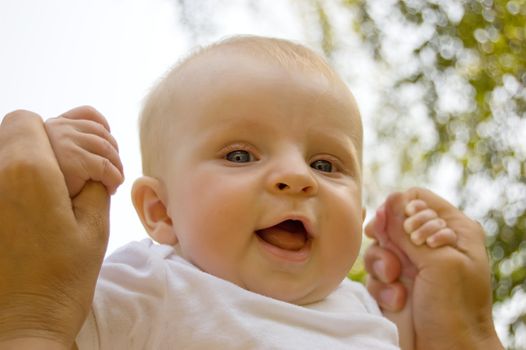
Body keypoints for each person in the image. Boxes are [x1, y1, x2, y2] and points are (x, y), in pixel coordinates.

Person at [40, 35, 499, 349]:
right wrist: (54, 179)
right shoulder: (151, 282)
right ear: (162, 212)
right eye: (240, 156)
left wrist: (452, 324)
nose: (299, 177)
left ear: (359, 215)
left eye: (325, 164)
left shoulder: (363, 308)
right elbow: (38, 314)